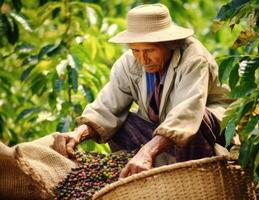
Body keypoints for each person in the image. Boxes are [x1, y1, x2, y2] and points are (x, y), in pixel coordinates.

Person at [53, 3, 231, 179]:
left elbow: (187, 113)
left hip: (210, 133)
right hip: (162, 130)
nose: (143, 59)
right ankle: (147, 175)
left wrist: (147, 150)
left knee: (197, 120)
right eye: (135, 50)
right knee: (120, 123)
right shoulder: (129, 62)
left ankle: (190, 178)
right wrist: (78, 134)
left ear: (171, 43)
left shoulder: (194, 58)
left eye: (149, 50)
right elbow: (107, 107)